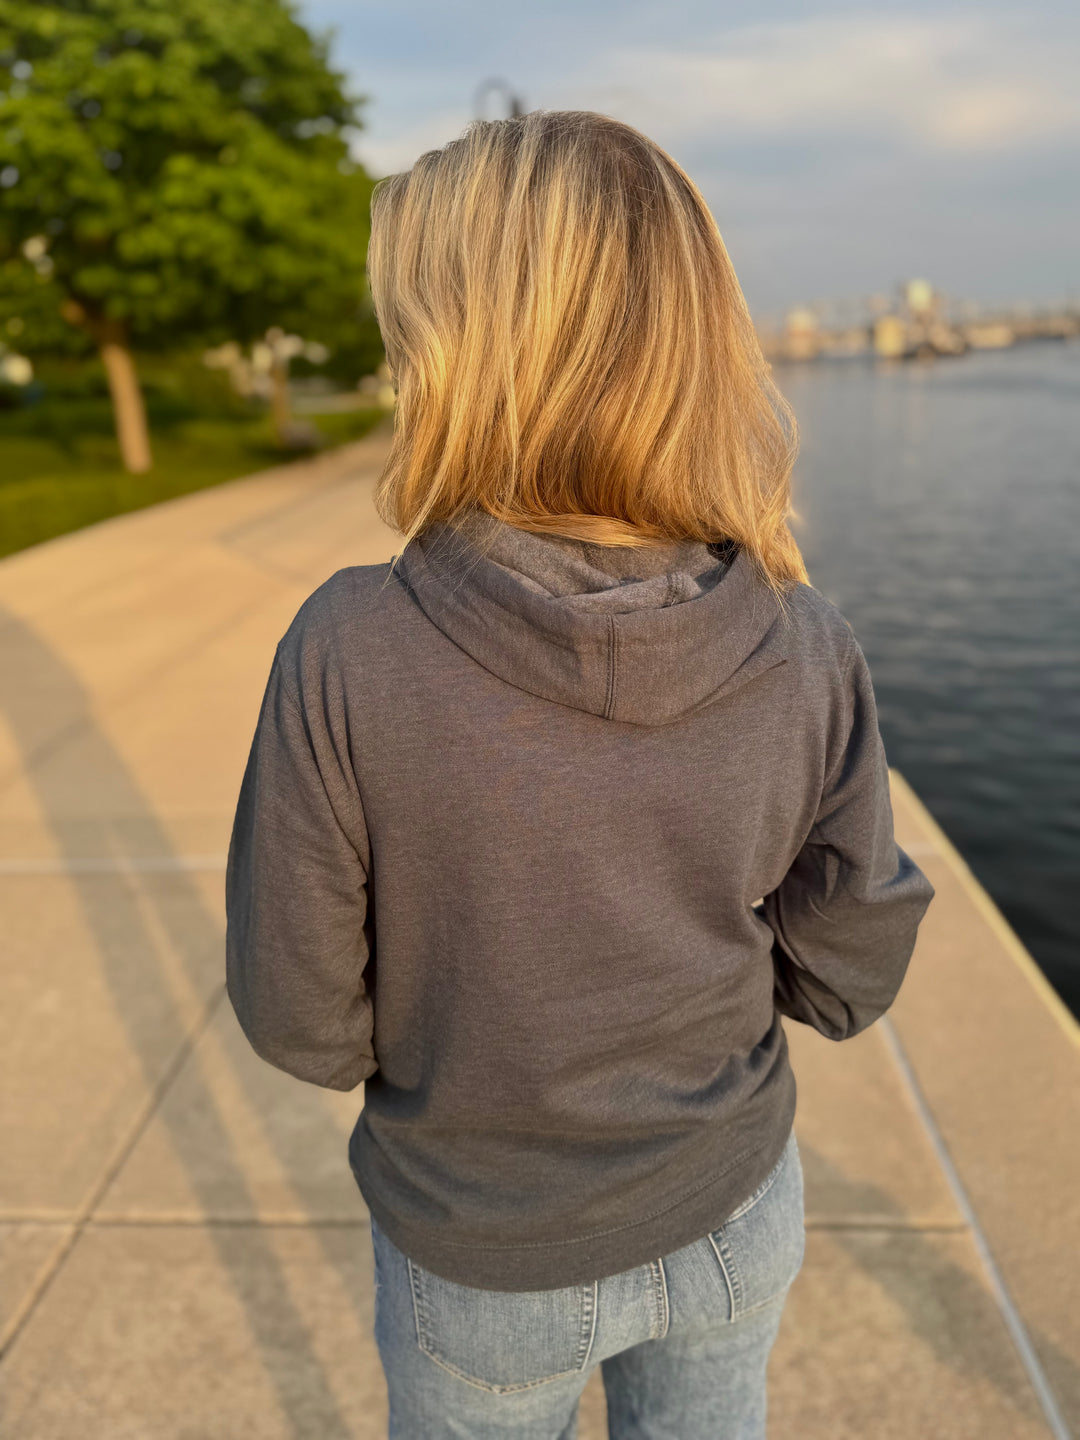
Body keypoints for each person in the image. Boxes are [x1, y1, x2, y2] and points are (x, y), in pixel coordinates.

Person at [225, 110, 935, 1439]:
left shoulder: (347, 648)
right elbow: (853, 965)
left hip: (481, 1251)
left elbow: (300, 1015)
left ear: (444, 351)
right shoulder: (805, 642)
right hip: (731, 1205)